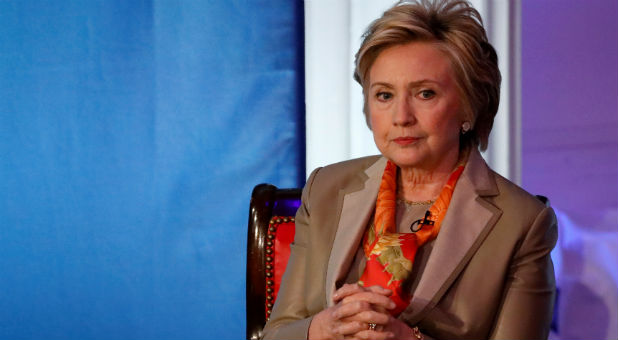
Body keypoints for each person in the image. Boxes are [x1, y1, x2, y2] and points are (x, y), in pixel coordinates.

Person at [263, 0, 557, 339]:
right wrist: (321, 328)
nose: (401, 116)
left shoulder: (521, 222)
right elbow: (276, 333)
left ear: (469, 107)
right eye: (384, 95)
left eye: (425, 93)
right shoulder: (326, 187)